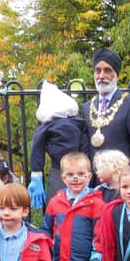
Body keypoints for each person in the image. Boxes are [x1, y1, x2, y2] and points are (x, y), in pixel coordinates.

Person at [28, 80, 91, 208]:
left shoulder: (46, 126)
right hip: (77, 168)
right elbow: (85, 146)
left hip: (60, 169)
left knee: (58, 205)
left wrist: (36, 173)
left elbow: (36, 148)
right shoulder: (79, 123)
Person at [82, 48, 130, 165]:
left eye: (107, 70)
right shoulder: (86, 108)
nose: (101, 76)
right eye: (98, 71)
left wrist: (128, 177)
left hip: (120, 180)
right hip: (92, 181)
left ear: (116, 75)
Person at [92, 149, 130, 261]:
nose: (96, 172)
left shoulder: (126, 191)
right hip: (105, 240)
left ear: (113, 168)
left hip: (124, 240)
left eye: (100, 168)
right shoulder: (98, 191)